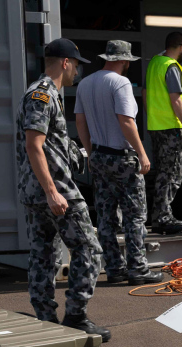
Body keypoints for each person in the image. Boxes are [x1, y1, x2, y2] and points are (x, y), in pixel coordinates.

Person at [16, 38, 110, 342]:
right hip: (55, 191)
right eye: (76, 66)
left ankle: (45, 320)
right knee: (89, 247)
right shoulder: (42, 95)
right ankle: (76, 316)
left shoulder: (47, 94)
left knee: (45, 255)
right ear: (65, 62)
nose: (76, 74)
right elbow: (34, 144)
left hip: (38, 192)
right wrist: (52, 191)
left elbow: (47, 143)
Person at [75, 40, 164, 287]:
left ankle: (114, 269)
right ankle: (138, 268)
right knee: (134, 216)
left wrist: (91, 152)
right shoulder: (120, 82)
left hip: (100, 156)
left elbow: (80, 122)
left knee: (105, 216)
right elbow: (126, 121)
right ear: (124, 61)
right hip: (123, 158)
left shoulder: (85, 83)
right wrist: (142, 154)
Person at [145, 31, 182, 235]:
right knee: (171, 174)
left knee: (162, 172)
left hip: (156, 126)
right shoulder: (171, 67)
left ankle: (160, 215)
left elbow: (145, 94)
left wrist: (153, 116)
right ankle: (163, 217)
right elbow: (176, 100)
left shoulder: (154, 62)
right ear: (181, 46)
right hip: (170, 127)